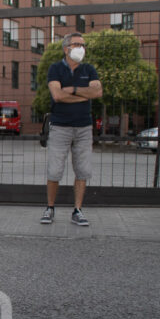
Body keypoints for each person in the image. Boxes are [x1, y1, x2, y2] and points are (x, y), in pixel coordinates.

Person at [40, 33, 103, 226]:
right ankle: (50, 208)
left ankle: (77, 210)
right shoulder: (56, 69)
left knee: (83, 170)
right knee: (54, 170)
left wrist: (73, 90)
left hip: (84, 127)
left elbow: (97, 92)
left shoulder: (89, 69)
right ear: (66, 48)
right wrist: (85, 94)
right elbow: (57, 95)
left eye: (83, 45)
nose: (81, 49)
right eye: (77, 45)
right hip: (60, 126)